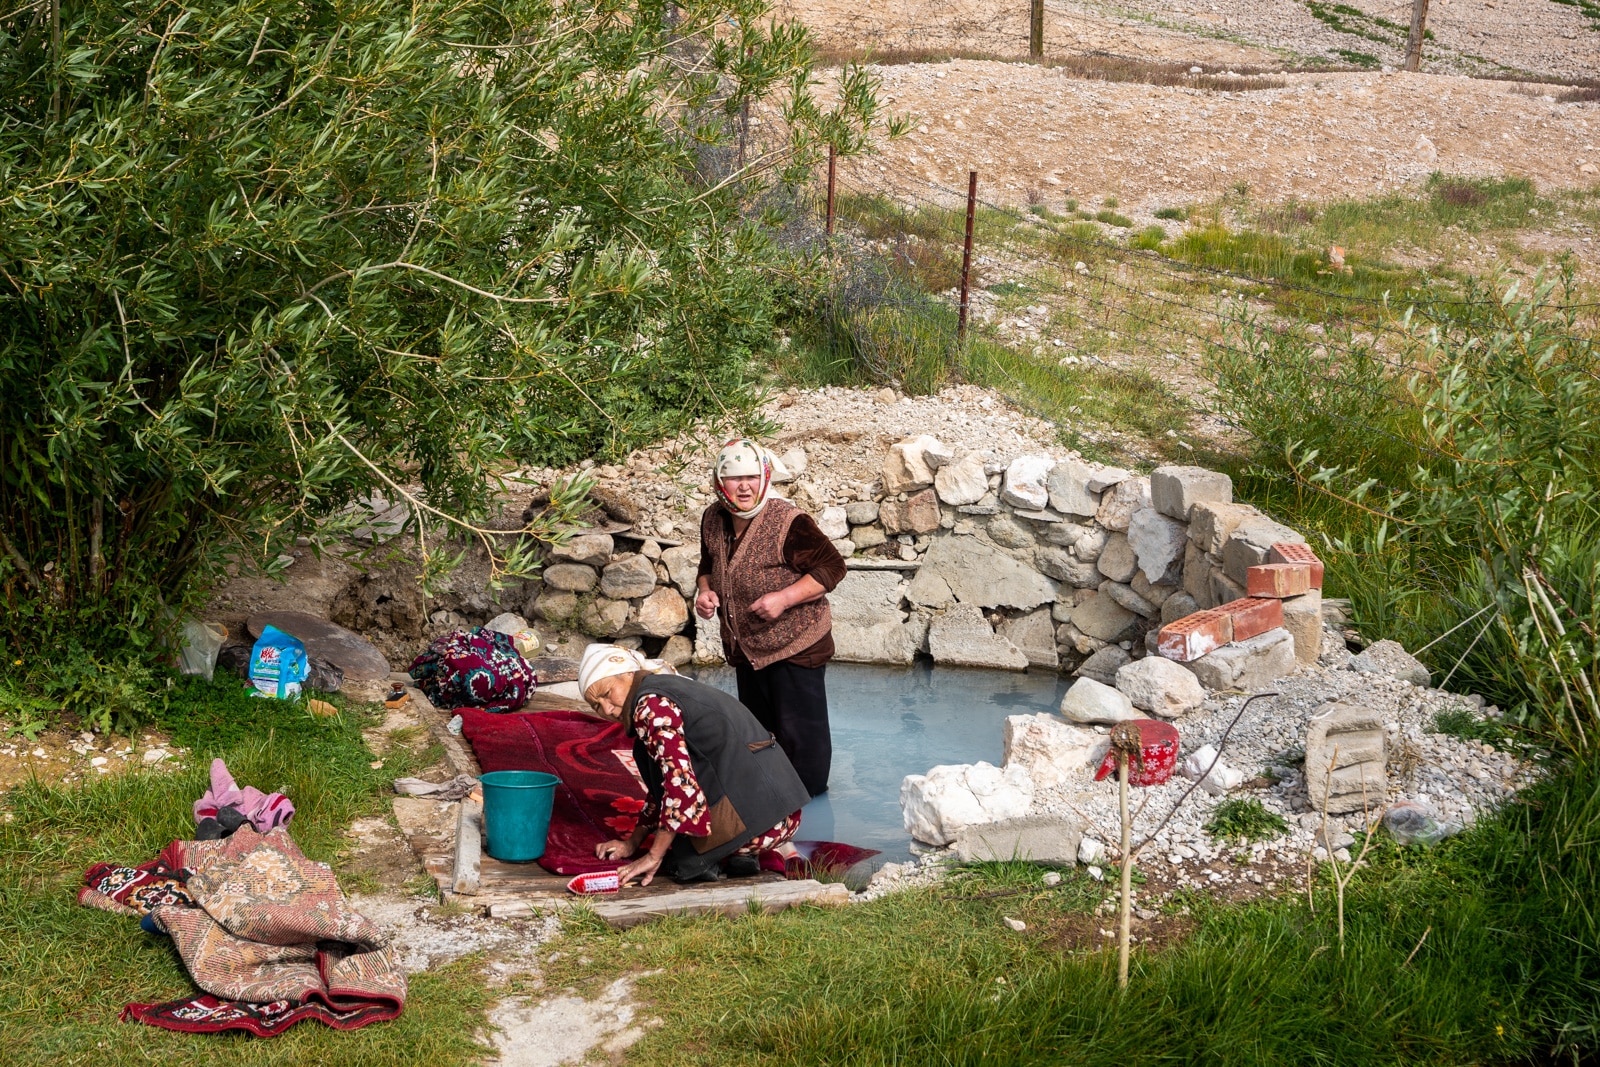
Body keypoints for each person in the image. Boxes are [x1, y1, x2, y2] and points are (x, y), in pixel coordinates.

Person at [579, 644, 811, 886]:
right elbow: (665, 782)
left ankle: (733, 850)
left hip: (765, 819)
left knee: (683, 864)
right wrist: (632, 842)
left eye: (607, 694)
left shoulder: (650, 705)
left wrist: (653, 855)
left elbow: (680, 785)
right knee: (679, 832)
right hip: (781, 806)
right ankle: (742, 855)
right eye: (596, 705)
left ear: (627, 674)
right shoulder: (661, 688)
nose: (606, 709)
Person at [695, 439, 845, 797]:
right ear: (720, 482)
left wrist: (784, 598)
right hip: (748, 648)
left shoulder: (789, 522)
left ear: (764, 477)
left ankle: (808, 809)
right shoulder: (713, 518)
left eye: (751, 477)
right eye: (734, 478)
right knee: (759, 733)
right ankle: (770, 803)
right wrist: (704, 591)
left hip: (796, 643)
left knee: (802, 739)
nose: (744, 486)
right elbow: (708, 565)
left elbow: (833, 567)